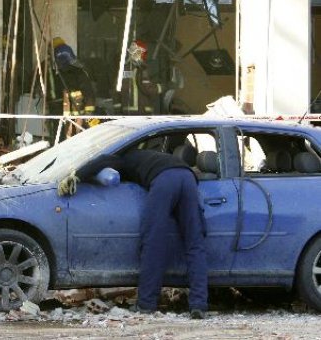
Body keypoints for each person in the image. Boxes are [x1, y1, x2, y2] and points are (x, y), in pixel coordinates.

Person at [78, 149, 208, 319]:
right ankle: (198, 305)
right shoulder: (154, 156)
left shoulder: (123, 157)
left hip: (164, 181)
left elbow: (100, 162)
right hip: (188, 177)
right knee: (195, 244)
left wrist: (77, 175)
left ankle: (147, 304)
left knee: (153, 243)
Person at [46, 37, 97, 143]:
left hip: (78, 117)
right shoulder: (56, 72)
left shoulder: (78, 73)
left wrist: (88, 115)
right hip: (62, 115)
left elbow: (89, 94)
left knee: (76, 140)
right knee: (61, 140)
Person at [116, 40, 164, 115]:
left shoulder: (125, 69)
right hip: (142, 111)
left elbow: (117, 90)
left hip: (128, 111)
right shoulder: (143, 70)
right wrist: (164, 87)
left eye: (136, 52)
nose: (133, 54)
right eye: (133, 51)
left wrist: (117, 109)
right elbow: (148, 88)